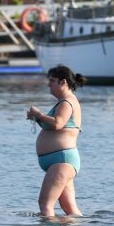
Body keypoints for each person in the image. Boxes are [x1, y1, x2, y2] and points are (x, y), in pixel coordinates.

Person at [26, 65, 85, 218]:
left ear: (63, 82)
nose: (48, 84)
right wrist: (38, 119)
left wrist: (39, 114)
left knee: (45, 205)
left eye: (52, 81)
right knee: (70, 210)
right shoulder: (65, 102)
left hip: (62, 161)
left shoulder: (67, 102)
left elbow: (58, 123)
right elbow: (53, 126)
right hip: (61, 161)